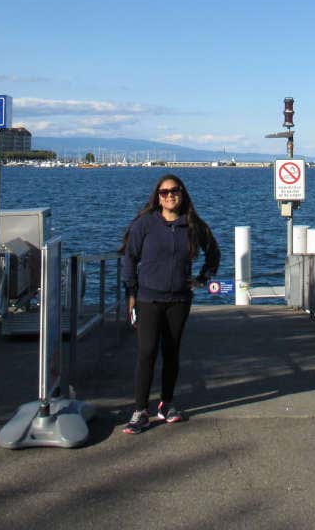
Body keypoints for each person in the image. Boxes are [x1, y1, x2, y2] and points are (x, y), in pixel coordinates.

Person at [119, 174, 220, 434]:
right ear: (158, 197)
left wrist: (201, 279)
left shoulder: (193, 225)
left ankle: (167, 403)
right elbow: (129, 258)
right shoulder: (146, 224)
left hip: (179, 299)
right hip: (148, 298)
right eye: (164, 192)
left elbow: (214, 253)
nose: (170, 195)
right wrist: (131, 291)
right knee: (146, 352)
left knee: (172, 352)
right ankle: (140, 411)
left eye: (175, 191)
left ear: (182, 193)